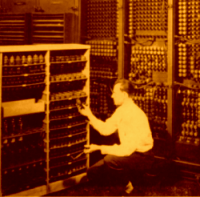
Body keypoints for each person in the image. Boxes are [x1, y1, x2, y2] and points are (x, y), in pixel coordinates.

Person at [77, 78, 154, 194]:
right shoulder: (122, 110)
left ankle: (129, 188)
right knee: (93, 172)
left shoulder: (133, 114)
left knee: (110, 160)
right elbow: (106, 129)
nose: (112, 96)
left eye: (114, 93)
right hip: (130, 152)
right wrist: (89, 114)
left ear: (124, 95)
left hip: (142, 156)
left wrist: (98, 148)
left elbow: (126, 150)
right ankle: (121, 186)